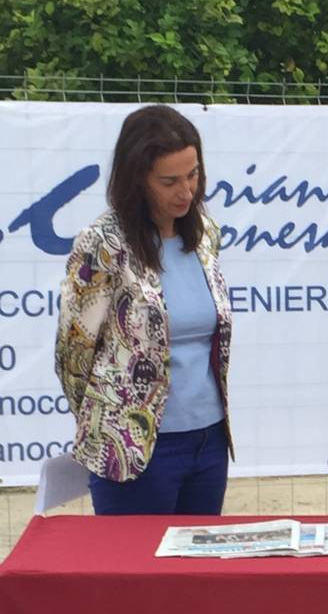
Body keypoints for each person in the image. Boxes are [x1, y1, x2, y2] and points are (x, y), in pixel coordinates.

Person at [55, 104, 233, 515]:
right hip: (131, 448)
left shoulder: (205, 234)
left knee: (199, 557)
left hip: (209, 442)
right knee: (134, 559)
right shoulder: (102, 243)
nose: (186, 191)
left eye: (193, 175)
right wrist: (109, 425)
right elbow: (73, 354)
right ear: (138, 177)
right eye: (169, 181)